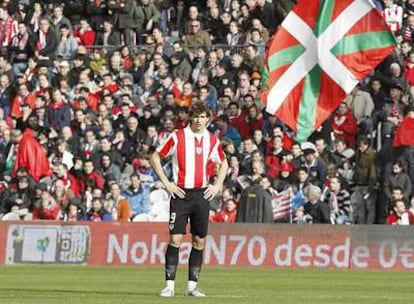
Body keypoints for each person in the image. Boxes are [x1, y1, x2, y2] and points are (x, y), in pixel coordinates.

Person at [150, 101, 228, 297]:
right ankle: (169, 285)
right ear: (190, 117)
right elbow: (155, 157)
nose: (200, 120)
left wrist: (217, 185)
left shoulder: (212, 140)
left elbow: (224, 162)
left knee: (198, 241)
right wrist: (167, 184)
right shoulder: (178, 137)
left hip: (201, 195)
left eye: (203, 117)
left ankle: (192, 287)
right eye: (197, 116)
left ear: (208, 119)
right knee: (175, 238)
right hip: (181, 194)